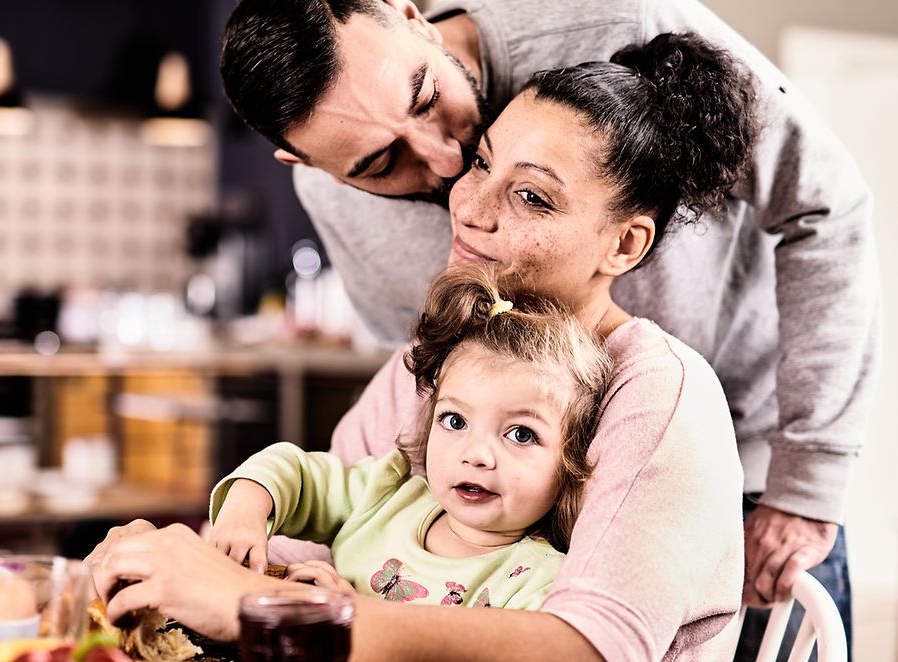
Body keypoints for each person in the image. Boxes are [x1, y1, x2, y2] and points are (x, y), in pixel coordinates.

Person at [220, 0, 880, 658]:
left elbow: (826, 205)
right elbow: (381, 446)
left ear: (410, 15)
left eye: (425, 98)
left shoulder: (614, 21)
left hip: (732, 457)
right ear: (304, 164)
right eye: (378, 163)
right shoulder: (347, 211)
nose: (448, 166)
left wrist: (806, 484)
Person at [89, 32, 752, 660]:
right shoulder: (449, 351)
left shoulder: (660, 394)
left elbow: (589, 649)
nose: (469, 206)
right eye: (483, 162)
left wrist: (252, 604)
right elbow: (313, 542)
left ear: (624, 244)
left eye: (530, 196)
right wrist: (178, 569)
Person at [209, 268, 611, 608]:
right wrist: (246, 509)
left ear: (569, 461)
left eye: (521, 434)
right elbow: (295, 473)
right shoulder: (386, 495)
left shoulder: (537, 583)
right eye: (454, 421)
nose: (476, 455)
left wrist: (350, 617)